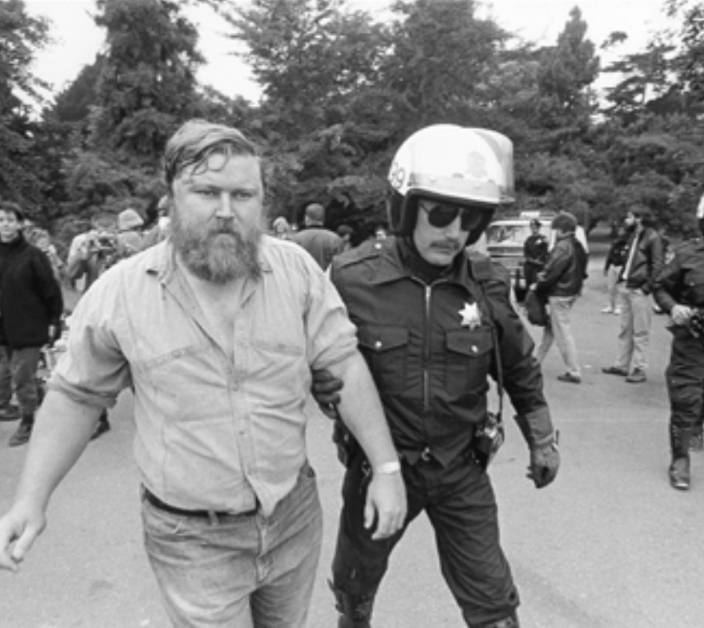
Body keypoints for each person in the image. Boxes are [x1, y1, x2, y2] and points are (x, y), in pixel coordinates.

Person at [0, 120, 408, 627]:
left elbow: (342, 360)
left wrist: (387, 470)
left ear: (261, 201)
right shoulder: (119, 294)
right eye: (206, 192)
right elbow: (76, 397)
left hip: (293, 518)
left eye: (243, 194)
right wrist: (30, 502)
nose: (225, 210)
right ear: (171, 196)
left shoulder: (297, 273)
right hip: (191, 540)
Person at [321, 123, 559, 628]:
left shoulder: (487, 281)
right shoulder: (352, 277)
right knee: (355, 588)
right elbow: (321, 362)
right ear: (404, 208)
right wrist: (324, 393)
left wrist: (541, 437)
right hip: (382, 465)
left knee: (494, 603)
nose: (455, 232)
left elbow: (518, 364)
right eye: (442, 213)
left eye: (470, 218)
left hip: (460, 468)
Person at [653, 184, 704, 490]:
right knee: (686, 397)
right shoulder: (686, 254)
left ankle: (698, 422)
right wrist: (674, 307)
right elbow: (660, 286)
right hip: (692, 334)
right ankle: (679, 460)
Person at [0, 202, 63, 446]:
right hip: (3, 328)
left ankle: (28, 421)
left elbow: (51, 292)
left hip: (28, 325)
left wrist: (53, 321)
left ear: (19, 224)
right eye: (1, 220)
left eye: (10, 220)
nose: (5, 225)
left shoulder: (33, 256)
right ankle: (38, 395)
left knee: (21, 376)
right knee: (7, 373)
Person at [601, 207, 663, 384]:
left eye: (629, 217)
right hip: (627, 286)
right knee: (625, 329)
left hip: (639, 289)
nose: (625, 220)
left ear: (639, 218)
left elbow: (657, 265)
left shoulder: (652, 237)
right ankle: (621, 364)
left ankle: (639, 368)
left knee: (641, 331)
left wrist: (647, 288)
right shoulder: (633, 236)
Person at [533, 212, 586, 384]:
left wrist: (539, 285)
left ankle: (574, 370)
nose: (554, 232)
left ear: (562, 230)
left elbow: (552, 271)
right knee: (551, 329)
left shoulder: (562, 247)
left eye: (556, 229)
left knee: (562, 331)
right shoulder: (577, 245)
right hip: (571, 291)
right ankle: (535, 361)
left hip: (559, 293)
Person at [64, 212, 119, 293]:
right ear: (95, 227)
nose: (105, 235)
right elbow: (71, 273)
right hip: (90, 290)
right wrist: (86, 251)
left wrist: (117, 248)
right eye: (102, 229)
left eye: (110, 230)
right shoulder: (81, 240)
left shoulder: (119, 240)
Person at [291, 202, 346, 269]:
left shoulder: (296, 239)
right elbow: (340, 266)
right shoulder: (335, 239)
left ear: (306, 218)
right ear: (323, 218)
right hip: (326, 278)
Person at [601, 223, 630, 315]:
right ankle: (611, 306)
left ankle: (619, 306)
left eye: (622, 230)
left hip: (622, 266)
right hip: (613, 265)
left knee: (620, 288)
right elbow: (610, 254)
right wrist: (606, 267)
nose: (620, 231)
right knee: (611, 287)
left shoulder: (628, 241)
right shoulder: (616, 241)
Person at [521, 218, 549, 299]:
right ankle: (528, 302)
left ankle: (538, 302)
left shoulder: (543, 238)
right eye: (532, 226)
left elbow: (545, 251)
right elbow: (526, 253)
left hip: (539, 266)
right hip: (529, 266)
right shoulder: (528, 239)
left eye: (535, 226)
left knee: (537, 285)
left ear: (539, 227)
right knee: (528, 285)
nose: (534, 228)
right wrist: (531, 260)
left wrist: (539, 260)